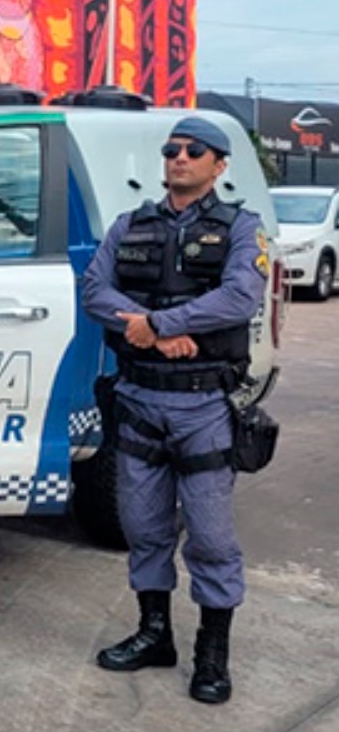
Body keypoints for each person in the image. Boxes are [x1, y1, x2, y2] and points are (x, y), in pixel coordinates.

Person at [81, 116, 269, 705]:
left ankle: (212, 654)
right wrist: (153, 334)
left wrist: (160, 323)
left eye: (194, 150)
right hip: (139, 399)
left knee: (210, 537)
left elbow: (241, 296)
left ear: (219, 165)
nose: (179, 157)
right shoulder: (129, 225)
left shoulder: (242, 227)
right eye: (171, 148)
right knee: (143, 528)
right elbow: (94, 291)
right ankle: (154, 633)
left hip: (203, 405)